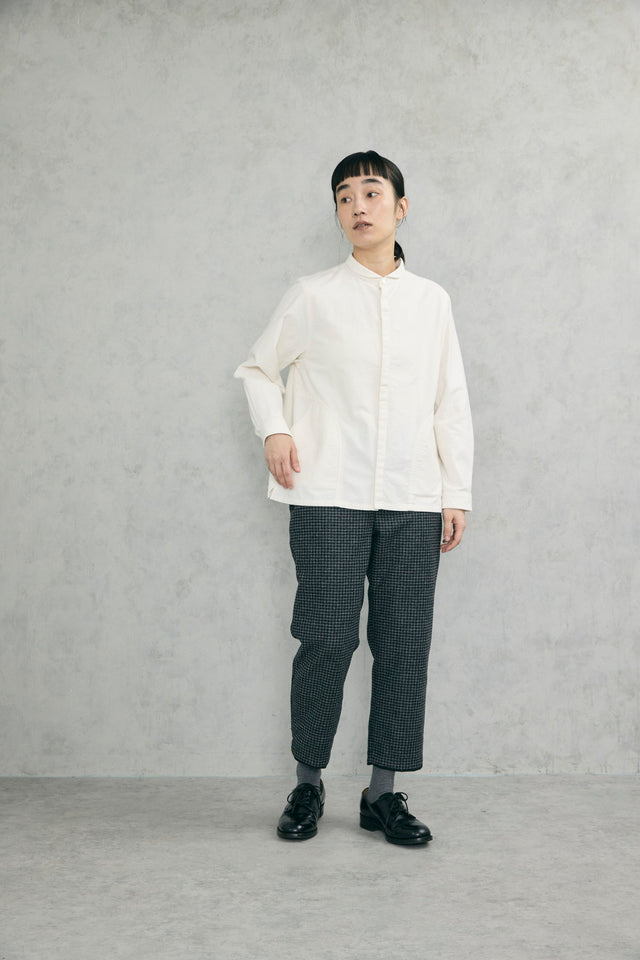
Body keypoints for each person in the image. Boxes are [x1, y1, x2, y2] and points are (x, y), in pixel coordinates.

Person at [234, 150, 473, 846]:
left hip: (413, 497)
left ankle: (382, 794)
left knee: (403, 643)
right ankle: (307, 784)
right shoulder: (312, 295)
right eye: (344, 197)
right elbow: (257, 369)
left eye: (371, 193)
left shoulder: (432, 302)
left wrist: (454, 491)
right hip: (328, 495)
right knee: (327, 637)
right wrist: (276, 429)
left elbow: (450, 400)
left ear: (401, 207)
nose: (358, 207)